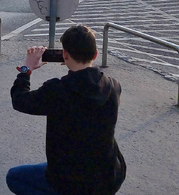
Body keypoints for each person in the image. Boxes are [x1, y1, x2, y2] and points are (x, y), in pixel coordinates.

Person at [7, 25, 126, 195]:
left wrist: (26, 69)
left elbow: (19, 100)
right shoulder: (113, 86)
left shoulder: (57, 90)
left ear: (65, 54)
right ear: (95, 54)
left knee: (14, 177)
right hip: (109, 176)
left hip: (71, 181)